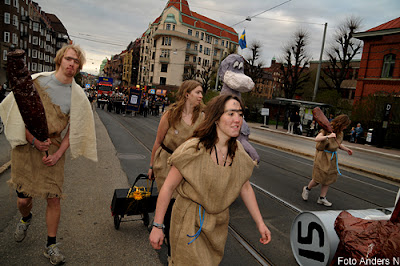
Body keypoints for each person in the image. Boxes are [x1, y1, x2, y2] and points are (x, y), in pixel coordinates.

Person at [0, 44, 97, 265]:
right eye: (69, 59)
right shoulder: (37, 81)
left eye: (76, 62)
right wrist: (34, 141)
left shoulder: (78, 95)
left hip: (53, 147)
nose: (72, 64)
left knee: (54, 199)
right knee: (24, 199)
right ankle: (26, 218)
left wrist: (58, 153)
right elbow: (16, 116)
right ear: (60, 59)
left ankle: (51, 246)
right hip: (26, 145)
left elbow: (75, 128)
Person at [149, 95, 271, 264]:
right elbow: (168, 188)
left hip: (217, 226)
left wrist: (260, 223)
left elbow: (245, 188)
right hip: (188, 221)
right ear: (216, 118)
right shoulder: (193, 149)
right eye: (231, 114)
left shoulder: (239, 154)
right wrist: (157, 226)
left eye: (241, 114)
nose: (238, 120)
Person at [147, 79, 205, 257]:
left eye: (201, 93)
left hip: (187, 166)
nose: (201, 96)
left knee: (182, 203)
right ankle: (166, 234)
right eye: (197, 92)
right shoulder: (170, 115)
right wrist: (151, 166)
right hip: (166, 162)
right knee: (170, 201)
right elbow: (158, 141)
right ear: (187, 94)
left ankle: (174, 236)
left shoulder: (202, 117)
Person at [301, 114, 353, 207]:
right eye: (345, 125)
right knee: (318, 178)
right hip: (323, 156)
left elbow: (338, 145)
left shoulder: (340, 133)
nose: (346, 128)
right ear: (341, 123)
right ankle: (307, 189)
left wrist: (347, 149)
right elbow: (317, 139)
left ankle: (322, 198)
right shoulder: (327, 129)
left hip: (332, 157)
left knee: (328, 179)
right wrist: (328, 136)